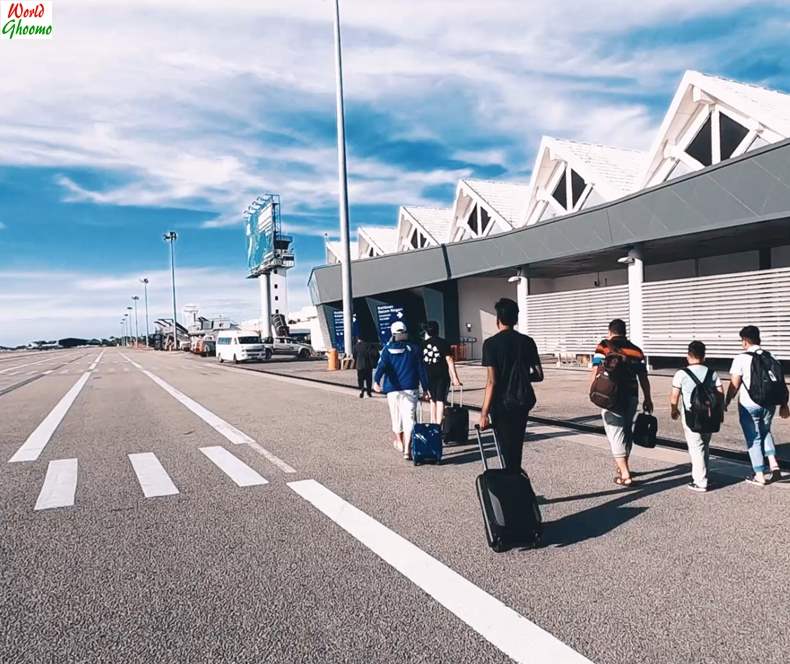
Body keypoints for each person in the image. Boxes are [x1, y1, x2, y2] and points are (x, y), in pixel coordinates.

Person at [479, 298, 543, 473]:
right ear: (516, 319)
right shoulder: (527, 342)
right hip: (522, 400)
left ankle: (511, 484)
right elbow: (539, 375)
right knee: (516, 445)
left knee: (505, 446)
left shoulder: (490, 344)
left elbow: (492, 382)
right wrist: (521, 378)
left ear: (498, 319)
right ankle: (515, 477)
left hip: (501, 403)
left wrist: (484, 413)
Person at [591, 318, 653, 487]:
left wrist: (594, 390)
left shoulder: (603, 346)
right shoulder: (636, 351)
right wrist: (648, 398)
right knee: (626, 432)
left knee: (615, 433)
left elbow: (595, 370)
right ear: (625, 332)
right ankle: (623, 466)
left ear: (610, 332)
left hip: (610, 395)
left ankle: (625, 475)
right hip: (631, 395)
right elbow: (643, 378)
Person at [725, 325, 789, 485]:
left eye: (742, 340)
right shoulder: (771, 356)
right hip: (769, 403)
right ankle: (774, 465)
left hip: (749, 404)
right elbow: (779, 381)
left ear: (745, 340)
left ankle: (759, 474)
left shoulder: (741, 358)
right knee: (765, 431)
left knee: (753, 437)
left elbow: (734, 384)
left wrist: (726, 401)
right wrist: (784, 403)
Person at [670, 341, 723, 492]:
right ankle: (704, 475)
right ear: (704, 356)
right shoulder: (712, 373)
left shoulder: (681, 373)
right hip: (710, 414)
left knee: (696, 447)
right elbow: (720, 393)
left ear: (688, 356)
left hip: (691, 415)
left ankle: (700, 482)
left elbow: (674, 395)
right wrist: (720, 412)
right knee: (704, 445)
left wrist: (674, 410)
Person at [373, 321, 430, 460]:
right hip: (410, 387)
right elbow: (421, 370)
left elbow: (381, 367)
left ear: (393, 334)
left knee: (396, 416)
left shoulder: (387, 350)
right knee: (409, 418)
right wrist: (426, 388)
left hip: (392, 389)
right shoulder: (414, 349)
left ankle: (399, 440)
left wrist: (376, 381)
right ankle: (407, 449)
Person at [422, 321, 462, 424]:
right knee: (440, 400)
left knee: (432, 400)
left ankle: (432, 422)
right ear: (438, 330)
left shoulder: (423, 344)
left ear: (427, 331)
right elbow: (449, 360)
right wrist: (455, 378)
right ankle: (438, 425)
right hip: (442, 376)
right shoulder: (444, 343)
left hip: (428, 375)